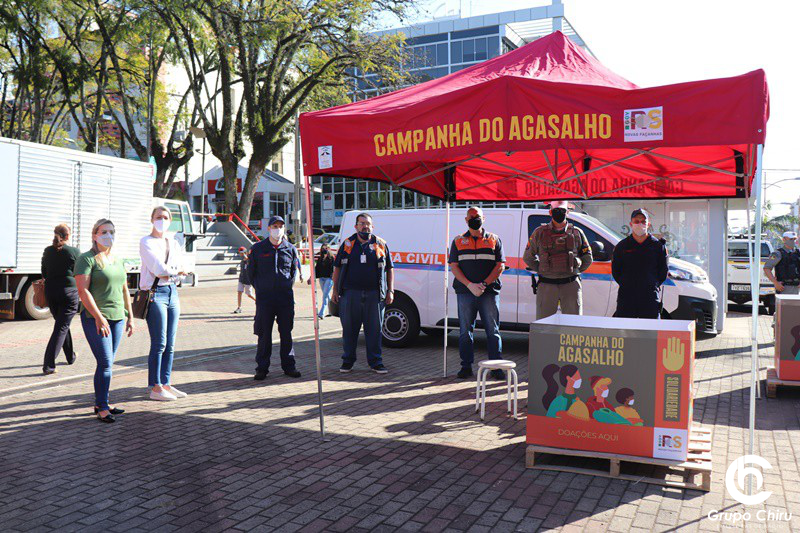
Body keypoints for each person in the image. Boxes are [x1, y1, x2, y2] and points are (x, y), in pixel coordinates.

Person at [75, 219, 134, 423]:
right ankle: (102, 406)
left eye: (112, 232)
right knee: (106, 362)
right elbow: (82, 291)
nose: (109, 236)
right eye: (104, 232)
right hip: (96, 318)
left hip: (118, 318)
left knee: (107, 364)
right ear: (95, 235)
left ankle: (103, 402)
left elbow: (124, 289)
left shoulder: (118, 259)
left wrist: (130, 316)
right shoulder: (86, 259)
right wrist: (99, 317)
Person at [331, 213, 393, 374]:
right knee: (349, 330)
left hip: (375, 295)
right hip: (350, 294)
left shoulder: (381, 244)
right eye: (362, 223)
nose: (365, 226)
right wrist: (335, 290)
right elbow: (337, 267)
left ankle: (376, 362)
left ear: (373, 226)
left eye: (368, 224)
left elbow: (389, 269)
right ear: (356, 226)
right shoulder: (347, 244)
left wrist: (390, 290)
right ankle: (347, 361)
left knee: (375, 331)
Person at [448, 207, 505, 379]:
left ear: (484, 218)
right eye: (471, 216)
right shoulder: (458, 241)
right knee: (465, 331)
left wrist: (484, 284)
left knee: (493, 331)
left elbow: (500, 265)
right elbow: (454, 267)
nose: (475, 219)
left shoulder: (494, 239)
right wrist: (470, 285)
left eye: (477, 216)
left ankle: (496, 367)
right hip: (465, 292)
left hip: (489, 292)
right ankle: (466, 367)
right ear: (466, 220)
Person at [140, 206, 188, 401]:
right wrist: (175, 271)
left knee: (170, 343)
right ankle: (155, 386)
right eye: (159, 217)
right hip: (155, 294)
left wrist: (173, 272)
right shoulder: (146, 242)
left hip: (172, 292)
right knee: (159, 343)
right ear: (152, 219)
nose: (162, 220)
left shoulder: (172, 242)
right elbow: (158, 269)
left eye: (166, 217)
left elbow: (182, 267)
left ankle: (166, 383)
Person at [247, 216, 303, 380]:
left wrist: (286, 287)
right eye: (274, 226)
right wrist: (261, 289)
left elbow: (293, 272)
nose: (277, 229)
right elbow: (251, 273)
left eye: (280, 226)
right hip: (265, 299)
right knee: (264, 334)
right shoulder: (258, 248)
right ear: (269, 228)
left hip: (285, 299)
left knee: (286, 333)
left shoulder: (290, 249)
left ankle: (289, 366)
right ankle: (262, 368)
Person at [523, 201, 593, 319]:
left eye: (562, 211)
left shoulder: (577, 232)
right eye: (556, 211)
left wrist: (575, 268)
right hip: (547, 285)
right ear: (550, 212)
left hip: (571, 284)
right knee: (544, 324)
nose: (559, 213)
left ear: (568, 212)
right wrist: (543, 269)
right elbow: (528, 257)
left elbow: (588, 257)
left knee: (573, 324)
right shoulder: (539, 232)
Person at [611, 209, 669, 319]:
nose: (640, 224)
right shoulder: (622, 246)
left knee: (650, 328)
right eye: (636, 221)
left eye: (643, 221)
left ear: (648, 224)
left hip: (649, 297)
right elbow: (616, 271)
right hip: (627, 297)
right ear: (631, 224)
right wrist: (628, 284)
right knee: (625, 328)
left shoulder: (658, 246)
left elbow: (663, 272)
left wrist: (651, 284)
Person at [41, 224, 81, 374]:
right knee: (61, 327)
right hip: (69, 293)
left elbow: (44, 273)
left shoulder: (47, 251)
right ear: (68, 236)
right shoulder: (74, 251)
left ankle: (70, 357)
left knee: (62, 325)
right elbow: (80, 272)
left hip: (51, 292)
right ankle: (49, 365)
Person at [764, 231, 800, 297]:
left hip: (797, 287)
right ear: (784, 239)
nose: (793, 241)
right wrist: (775, 283)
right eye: (791, 239)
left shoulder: (797, 253)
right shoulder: (778, 254)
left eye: (794, 239)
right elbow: (767, 268)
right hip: (784, 288)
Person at [309, 244, 335, 319]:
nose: (324, 250)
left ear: (329, 249)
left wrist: (334, 278)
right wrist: (311, 277)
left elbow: (334, 269)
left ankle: (321, 313)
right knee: (326, 294)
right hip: (321, 278)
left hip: (329, 279)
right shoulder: (320, 258)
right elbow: (316, 268)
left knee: (325, 296)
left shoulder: (332, 258)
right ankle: (331, 310)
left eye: (326, 248)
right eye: (323, 248)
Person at [234, 246, 256, 314]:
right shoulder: (242, 261)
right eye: (240, 253)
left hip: (247, 280)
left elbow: (251, 266)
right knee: (239, 292)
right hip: (241, 279)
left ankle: (258, 301)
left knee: (249, 294)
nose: (240, 254)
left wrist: (247, 259)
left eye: (241, 253)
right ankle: (239, 307)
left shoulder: (249, 259)